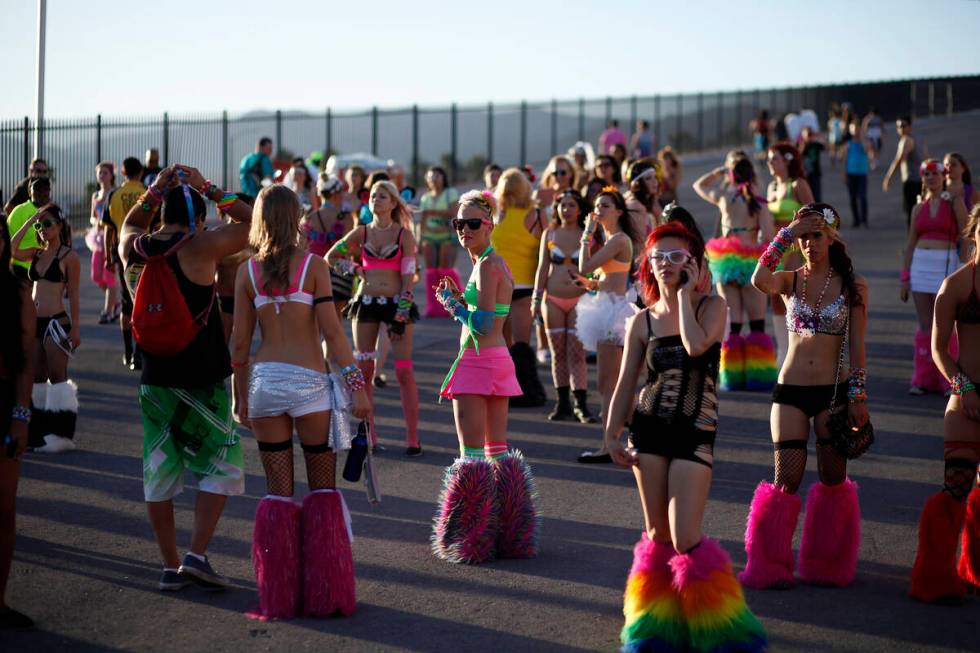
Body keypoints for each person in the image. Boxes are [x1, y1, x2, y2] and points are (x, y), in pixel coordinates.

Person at [609, 221, 767, 653]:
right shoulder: (641, 320)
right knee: (657, 535)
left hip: (696, 428)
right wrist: (611, 435)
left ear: (694, 263)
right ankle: (656, 632)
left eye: (676, 257)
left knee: (684, 536)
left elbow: (697, 348)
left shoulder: (711, 307)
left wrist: (681, 296)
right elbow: (626, 383)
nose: (665, 265)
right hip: (649, 427)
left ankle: (722, 631)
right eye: (658, 257)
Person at [230, 184, 370, 620]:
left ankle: (279, 596)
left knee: (277, 496)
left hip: (265, 384)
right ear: (297, 218)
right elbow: (333, 335)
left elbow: (238, 345)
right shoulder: (314, 267)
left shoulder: (246, 273)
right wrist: (357, 389)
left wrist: (241, 401)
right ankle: (326, 593)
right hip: (309, 384)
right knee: (323, 489)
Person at [119, 165, 253, 591]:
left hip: (155, 377)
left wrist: (155, 190)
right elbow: (253, 223)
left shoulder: (133, 249)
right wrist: (207, 187)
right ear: (197, 219)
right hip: (203, 376)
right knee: (219, 463)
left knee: (159, 468)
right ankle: (196, 554)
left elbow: (128, 223)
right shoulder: (200, 247)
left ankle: (168, 564)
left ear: (160, 215)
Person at [741, 204, 869, 591]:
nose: (809, 244)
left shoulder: (853, 286)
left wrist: (858, 396)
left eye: (816, 235)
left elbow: (858, 348)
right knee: (787, 478)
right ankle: (769, 564)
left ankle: (826, 563)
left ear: (832, 237)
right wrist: (785, 233)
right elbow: (758, 277)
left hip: (833, 393)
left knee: (833, 479)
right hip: (790, 391)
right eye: (803, 237)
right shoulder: (789, 280)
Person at [431, 190, 538, 564]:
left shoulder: (488, 265)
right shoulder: (489, 264)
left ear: (490, 224)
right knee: (497, 452)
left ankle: (470, 538)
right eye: (458, 224)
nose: (464, 230)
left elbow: (486, 322)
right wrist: (461, 303)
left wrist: (454, 306)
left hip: (479, 364)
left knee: (472, 456)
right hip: (494, 362)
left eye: (473, 223)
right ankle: (511, 534)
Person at [909, 203, 980, 603]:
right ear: (974, 232)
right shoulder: (954, 285)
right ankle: (934, 577)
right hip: (966, 395)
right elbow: (938, 349)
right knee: (956, 490)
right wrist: (964, 387)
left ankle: (976, 570)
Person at [326, 180, 422, 456]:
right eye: (373, 196)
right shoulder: (362, 232)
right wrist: (354, 268)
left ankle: (413, 439)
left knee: (403, 370)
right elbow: (331, 257)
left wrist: (401, 316)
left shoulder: (404, 236)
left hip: (396, 306)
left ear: (393, 203)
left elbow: (408, 279)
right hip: (365, 303)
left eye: (383, 196)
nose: (376, 200)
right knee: (364, 370)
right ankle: (369, 435)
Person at [695, 157, 777, 392]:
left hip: (727, 260)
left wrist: (719, 171)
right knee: (757, 323)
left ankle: (732, 377)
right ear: (752, 176)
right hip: (752, 261)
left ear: (732, 176)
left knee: (733, 324)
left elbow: (699, 185)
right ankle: (758, 377)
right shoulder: (759, 203)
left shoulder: (725, 197)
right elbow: (770, 236)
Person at [574, 187, 639, 463]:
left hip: (613, 313)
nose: (598, 210)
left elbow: (585, 265)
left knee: (608, 384)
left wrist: (586, 233)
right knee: (613, 383)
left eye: (605, 207)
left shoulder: (619, 239)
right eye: (597, 206)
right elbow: (606, 278)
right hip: (609, 307)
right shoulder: (614, 239)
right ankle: (624, 439)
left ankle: (608, 446)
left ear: (619, 212)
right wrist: (592, 284)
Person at [10, 204, 81, 453]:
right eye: (41, 225)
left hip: (56, 323)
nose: (44, 229)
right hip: (34, 323)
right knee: (36, 379)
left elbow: (74, 295)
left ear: (60, 225)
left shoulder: (69, 257)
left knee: (57, 378)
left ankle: (61, 435)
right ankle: (37, 434)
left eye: (48, 223)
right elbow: (11, 248)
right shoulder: (37, 254)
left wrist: (76, 330)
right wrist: (30, 223)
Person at [901, 159, 968, 395]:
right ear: (922, 178)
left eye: (935, 173)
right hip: (920, 266)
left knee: (945, 324)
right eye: (926, 174)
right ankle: (922, 378)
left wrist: (966, 269)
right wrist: (905, 276)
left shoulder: (955, 202)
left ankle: (949, 379)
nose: (931, 177)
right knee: (925, 325)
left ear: (944, 176)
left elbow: (966, 236)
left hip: (945, 265)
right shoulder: (918, 207)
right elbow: (909, 244)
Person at [532, 190, 596, 423]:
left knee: (577, 353)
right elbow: (541, 267)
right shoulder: (550, 233)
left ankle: (581, 404)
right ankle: (562, 403)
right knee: (558, 353)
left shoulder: (588, 235)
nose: (566, 209)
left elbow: (596, 268)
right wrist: (536, 299)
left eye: (571, 205)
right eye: (562, 205)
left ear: (580, 209)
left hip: (580, 300)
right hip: (554, 299)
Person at [0, 219, 36, 629]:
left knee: (4, 510)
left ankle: (0, 601)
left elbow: (25, 363)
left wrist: (22, 415)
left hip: (4, 406)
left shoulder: (16, 294)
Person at [490, 168, 548, 408]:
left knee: (505, 344)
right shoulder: (536, 215)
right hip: (525, 285)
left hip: (499, 284)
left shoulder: (496, 215)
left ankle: (505, 389)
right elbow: (547, 249)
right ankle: (527, 391)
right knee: (522, 345)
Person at [105, 157, 146, 370]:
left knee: (126, 303)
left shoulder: (115, 195)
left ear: (123, 173)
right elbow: (157, 224)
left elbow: (109, 228)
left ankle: (128, 351)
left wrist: (108, 256)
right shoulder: (147, 193)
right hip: (145, 252)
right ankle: (140, 352)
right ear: (140, 172)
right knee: (143, 301)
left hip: (122, 253)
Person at [302, 175, 356, 318]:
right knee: (336, 318)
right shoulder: (345, 217)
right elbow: (349, 247)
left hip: (313, 270)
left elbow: (302, 246)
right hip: (339, 270)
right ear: (336, 194)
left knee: (314, 318)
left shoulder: (309, 217)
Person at [418, 166, 461, 318]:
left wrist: (432, 212)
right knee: (431, 272)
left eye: (437, 176)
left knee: (445, 271)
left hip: (447, 236)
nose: (434, 179)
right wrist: (420, 240)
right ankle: (433, 307)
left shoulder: (451, 194)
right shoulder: (425, 198)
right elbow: (422, 220)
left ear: (443, 177)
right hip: (429, 236)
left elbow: (454, 212)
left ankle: (455, 305)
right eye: (431, 177)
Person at [215, 193, 255, 343]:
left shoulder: (256, 236)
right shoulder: (220, 234)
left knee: (243, 344)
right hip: (226, 299)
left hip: (248, 298)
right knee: (223, 344)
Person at [88, 161, 120, 324]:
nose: (101, 176)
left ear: (111, 175)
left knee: (109, 275)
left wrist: (106, 222)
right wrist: (98, 221)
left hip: (112, 238)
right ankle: (116, 302)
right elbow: (92, 216)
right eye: (99, 173)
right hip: (98, 237)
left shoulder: (115, 193)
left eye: (105, 173)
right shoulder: (95, 195)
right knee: (96, 275)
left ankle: (108, 311)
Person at [6, 177, 51, 282]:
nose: (42, 192)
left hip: (44, 270)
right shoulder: (19, 211)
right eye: (37, 188)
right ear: (29, 192)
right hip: (20, 270)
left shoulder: (53, 213)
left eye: (45, 189)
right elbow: (7, 243)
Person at [882, 116, 923, 230]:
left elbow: (898, 160)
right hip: (918, 180)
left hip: (912, 181)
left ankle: (912, 243)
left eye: (903, 125)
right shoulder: (917, 138)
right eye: (899, 126)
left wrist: (888, 177)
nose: (901, 128)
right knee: (916, 212)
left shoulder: (906, 140)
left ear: (910, 126)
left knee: (911, 213)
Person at [623, 158, 663, 247]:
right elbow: (639, 245)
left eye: (655, 177)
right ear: (637, 183)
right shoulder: (635, 206)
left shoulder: (649, 201)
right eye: (648, 178)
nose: (655, 182)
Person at [842, 119, 871, 228]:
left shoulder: (865, 142)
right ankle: (856, 219)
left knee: (862, 197)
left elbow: (868, 151)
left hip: (862, 173)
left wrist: (863, 138)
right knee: (852, 197)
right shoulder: (848, 144)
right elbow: (844, 159)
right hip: (851, 173)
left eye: (857, 129)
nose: (855, 131)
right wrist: (844, 174)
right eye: (853, 129)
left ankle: (864, 219)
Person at [800, 127, 826, 203]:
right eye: (808, 135)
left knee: (817, 196)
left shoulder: (815, 144)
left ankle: (818, 212)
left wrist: (819, 137)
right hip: (806, 174)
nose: (809, 136)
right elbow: (799, 157)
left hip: (816, 173)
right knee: (807, 196)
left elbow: (825, 147)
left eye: (811, 134)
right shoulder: (802, 145)